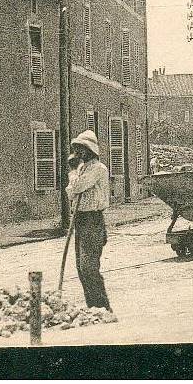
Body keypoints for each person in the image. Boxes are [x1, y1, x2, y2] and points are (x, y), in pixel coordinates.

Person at [67, 130, 112, 310]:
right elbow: (70, 193)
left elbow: (76, 186)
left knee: (89, 267)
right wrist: (74, 175)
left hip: (93, 220)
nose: (79, 153)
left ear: (90, 150)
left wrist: (72, 173)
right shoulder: (82, 169)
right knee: (80, 267)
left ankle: (102, 307)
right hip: (80, 219)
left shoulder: (98, 169)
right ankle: (92, 306)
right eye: (77, 149)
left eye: (82, 149)